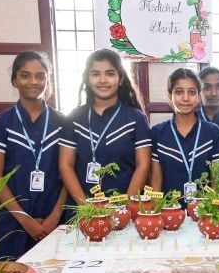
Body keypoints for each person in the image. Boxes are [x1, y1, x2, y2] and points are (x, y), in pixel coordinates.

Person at [0, 51, 67, 260]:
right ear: (15, 80)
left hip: (54, 219)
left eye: (40, 76)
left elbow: (69, 174)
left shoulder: (62, 122)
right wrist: (25, 220)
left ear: (48, 80)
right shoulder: (3, 123)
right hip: (14, 220)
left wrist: (54, 217)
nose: (33, 82)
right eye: (25, 75)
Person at [59, 49, 151, 204]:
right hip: (82, 210)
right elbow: (65, 165)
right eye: (95, 74)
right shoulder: (74, 118)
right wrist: (86, 207)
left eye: (110, 74)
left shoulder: (136, 118)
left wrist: (124, 207)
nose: (103, 80)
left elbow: (143, 165)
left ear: (121, 79)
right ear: (87, 79)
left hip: (124, 209)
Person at [151, 68, 219, 205]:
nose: (185, 98)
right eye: (179, 92)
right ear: (170, 95)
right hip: (168, 211)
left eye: (191, 92)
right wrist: (156, 211)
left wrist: (213, 211)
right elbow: (156, 181)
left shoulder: (212, 132)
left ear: (198, 96)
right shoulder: (157, 132)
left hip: (203, 211)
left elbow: (216, 181)